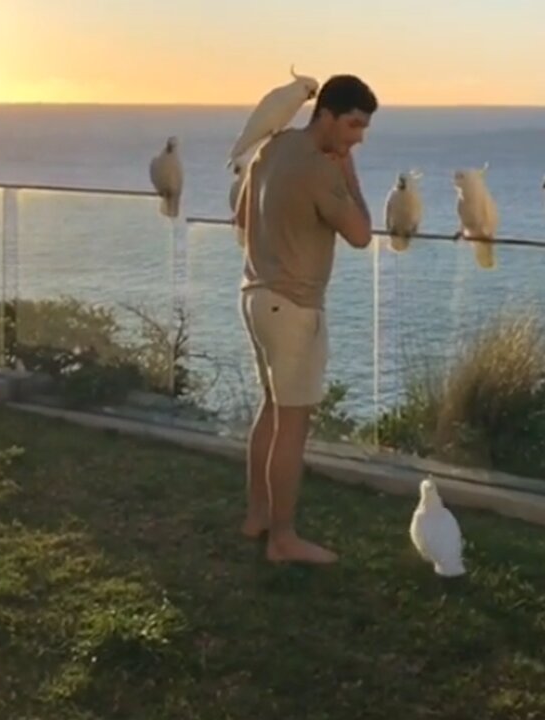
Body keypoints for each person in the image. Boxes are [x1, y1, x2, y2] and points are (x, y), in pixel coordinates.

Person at [233, 74, 376, 564]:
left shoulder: (270, 151)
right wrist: (349, 175)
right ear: (327, 115)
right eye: (354, 126)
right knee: (293, 425)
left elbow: (240, 218)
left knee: (270, 411)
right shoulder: (321, 168)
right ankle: (284, 538)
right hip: (294, 308)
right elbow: (360, 234)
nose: (358, 137)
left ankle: (257, 517)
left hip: (255, 295)